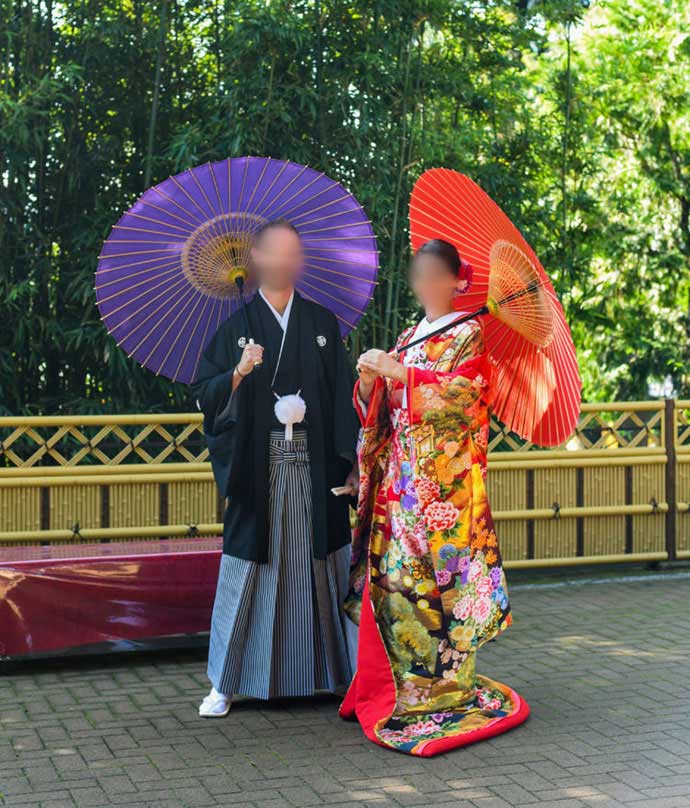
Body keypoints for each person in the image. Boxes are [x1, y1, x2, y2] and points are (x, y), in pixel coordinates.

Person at [340, 239, 529, 755]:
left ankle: (445, 689)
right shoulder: (408, 334)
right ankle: (398, 686)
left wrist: (405, 374)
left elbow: (467, 399)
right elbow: (381, 405)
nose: (423, 283)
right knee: (395, 581)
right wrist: (368, 383)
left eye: (433, 274)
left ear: (456, 282)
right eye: (417, 273)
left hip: (443, 491)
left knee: (440, 586)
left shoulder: (469, 332)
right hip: (400, 479)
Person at [192, 218, 360, 717]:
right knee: (250, 570)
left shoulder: (323, 324)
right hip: (258, 470)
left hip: (314, 465)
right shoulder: (234, 331)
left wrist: (349, 463)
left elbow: (343, 399)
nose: (285, 261)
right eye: (275, 252)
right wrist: (240, 373)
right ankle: (226, 681)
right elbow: (206, 396)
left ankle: (336, 676)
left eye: (294, 253)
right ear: (258, 259)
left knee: (322, 567)